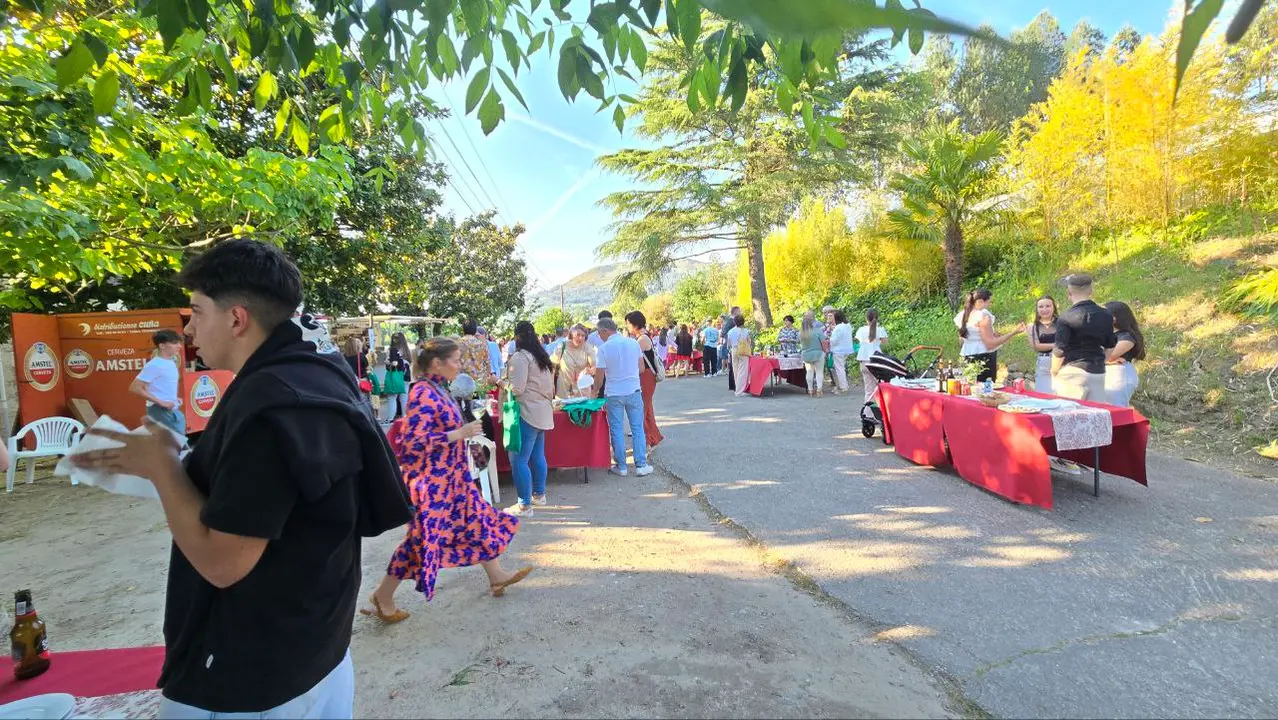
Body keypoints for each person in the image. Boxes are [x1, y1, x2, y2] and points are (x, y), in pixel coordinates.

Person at [72, 239, 413, 718]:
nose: (188, 330)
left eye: (196, 312)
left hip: (251, 674)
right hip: (316, 643)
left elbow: (222, 563)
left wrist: (163, 467)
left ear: (236, 318)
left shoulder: (270, 407)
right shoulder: (319, 368)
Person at [363, 337, 533, 624]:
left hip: (454, 480)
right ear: (437, 363)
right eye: (454, 360)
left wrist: (466, 440)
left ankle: (496, 576)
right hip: (432, 484)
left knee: (477, 522)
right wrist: (459, 433)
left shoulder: (438, 389)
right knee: (421, 540)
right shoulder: (422, 393)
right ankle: (383, 595)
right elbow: (414, 442)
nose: (459, 365)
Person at [505, 322, 555, 516]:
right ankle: (539, 495)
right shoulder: (540, 356)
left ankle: (524, 505)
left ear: (517, 337)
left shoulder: (520, 357)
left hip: (527, 412)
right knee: (537, 456)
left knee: (518, 460)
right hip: (542, 412)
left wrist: (499, 382)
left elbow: (517, 389)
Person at [592, 318, 653, 476]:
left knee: (616, 429)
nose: (599, 336)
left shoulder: (603, 349)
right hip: (633, 390)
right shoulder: (633, 343)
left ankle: (621, 466)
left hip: (613, 393)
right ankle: (641, 465)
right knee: (637, 428)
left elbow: (599, 377)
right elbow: (641, 368)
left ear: (605, 331)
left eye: (599, 333)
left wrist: (595, 391)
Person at [1051, 274, 1115, 403]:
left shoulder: (1066, 317)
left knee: (1068, 411)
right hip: (1097, 372)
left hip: (1073, 371)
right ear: (1091, 291)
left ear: (1069, 292)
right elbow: (1111, 344)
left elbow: (1060, 350)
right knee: (1096, 411)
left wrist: (1054, 371)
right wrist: (1102, 361)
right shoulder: (1106, 314)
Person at [955, 289, 1025, 383]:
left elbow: (962, 340)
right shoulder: (983, 316)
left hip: (966, 355)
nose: (990, 304)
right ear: (981, 301)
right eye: (989, 302)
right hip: (983, 357)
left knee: (968, 385)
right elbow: (990, 344)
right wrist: (1013, 333)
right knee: (985, 388)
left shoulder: (963, 315)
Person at [130, 329, 187, 437]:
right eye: (174, 343)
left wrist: (173, 399)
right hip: (160, 411)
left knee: (176, 444)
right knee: (174, 444)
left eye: (179, 343)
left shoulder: (170, 362)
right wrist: (161, 402)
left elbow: (159, 387)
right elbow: (135, 387)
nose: (179, 346)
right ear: (162, 345)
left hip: (171, 411)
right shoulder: (154, 364)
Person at [625, 311, 664, 450]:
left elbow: (631, 358)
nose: (627, 327)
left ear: (635, 324)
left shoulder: (641, 340)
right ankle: (652, 439)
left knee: (641, 410)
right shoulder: (642, 337)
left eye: (628, 324)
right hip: (646, 376)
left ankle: (646, 441)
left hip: (645, 376)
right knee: (646, 409)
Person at [1104, 301, 1145, 407]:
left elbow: (1107, 356)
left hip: (1118, 375)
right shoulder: (1107, 335)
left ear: (1114, 318)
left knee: (1116, 409)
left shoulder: (1126, 338)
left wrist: (1106, 361)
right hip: (1105, 374)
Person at [550, 324, 597, 399]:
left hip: (582, 389)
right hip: (564, 388)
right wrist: (551, 383)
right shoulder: (562, 347)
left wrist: (590, 370)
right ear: (571, 335)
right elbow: (552, 366)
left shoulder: (588, 348)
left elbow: (595, 367)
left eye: (583, 335)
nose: (580, 338)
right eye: (578, 335)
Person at [855, 309, 887, 404]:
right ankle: (881, 408)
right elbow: (885, 343)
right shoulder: (880, 330)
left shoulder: (861, 330)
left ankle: (868, 410)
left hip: (863, 360)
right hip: (876, 360)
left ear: (866, 318)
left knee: (868, 389)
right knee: (881, 386)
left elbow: (859, 341)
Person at [1027, 296, 1059, 394]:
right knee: (1043, 394)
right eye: (1041, 307)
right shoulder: (1032, 326)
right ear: (1037, 309)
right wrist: (1056, 345)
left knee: (1061, 394)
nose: (1044, 309)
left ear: (1054, 307)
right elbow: (1036, 346)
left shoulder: (1062, 323)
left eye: (1048, 306)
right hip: (1044, 362)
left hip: (1061, 360)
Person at [381, 334, 411, 422]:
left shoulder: (392, 350)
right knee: (404, 397)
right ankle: (405, 416)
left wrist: (387, 362)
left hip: (395, 376)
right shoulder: (406, 350)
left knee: (392, 397)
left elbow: (393, 364)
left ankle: (390, 418)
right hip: (406, 376)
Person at [799, 311, 826, 398]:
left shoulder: (801, 333)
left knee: (809, 371)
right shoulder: (817, 331)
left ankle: (810, 390)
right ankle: (819, 390)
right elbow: (824, 343)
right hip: (818, 353)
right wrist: (825, 351)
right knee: (819, 372)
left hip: (806, 354)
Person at [828, 311, 855, 396]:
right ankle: (844, 385)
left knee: (839, 369)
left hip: (838, 350)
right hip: (847, 349)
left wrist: (829, 339)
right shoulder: (848, 326)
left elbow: (833, 340)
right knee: (842, 368)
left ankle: (843, 387)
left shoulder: (838, 327)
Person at [458, 320, 492, 386]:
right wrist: (488, 377)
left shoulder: (457, 344)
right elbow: (488, 363)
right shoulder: (482, 345)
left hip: (462, 381)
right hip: (479, 381)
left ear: (463, 329)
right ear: (474, 330)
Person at [726, 314, 753, 397]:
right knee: (743, 371)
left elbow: (728, 343)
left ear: (735, 322)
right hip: (743, 351)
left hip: (734, 350)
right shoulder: (746, 331)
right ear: (743, 322)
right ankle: (739, 391)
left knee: (736, 370)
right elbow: (749, 342)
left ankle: (737, 389)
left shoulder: (730, 331)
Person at [724, 306, 743, 392]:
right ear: (735, 312)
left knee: (733, 366)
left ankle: (733, 385)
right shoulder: (732, 322)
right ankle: (735, 385)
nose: (740, 312)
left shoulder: (729, 322)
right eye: (739, 311)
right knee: (735, 367)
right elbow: (726, 334)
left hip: (731, 346)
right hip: (734, 347)